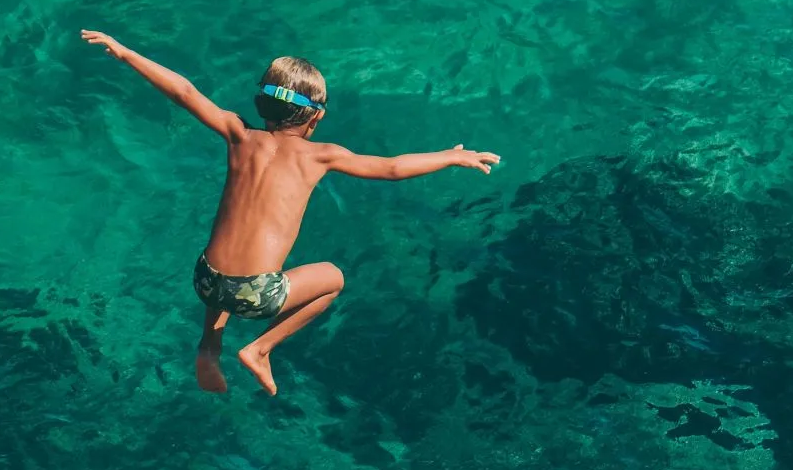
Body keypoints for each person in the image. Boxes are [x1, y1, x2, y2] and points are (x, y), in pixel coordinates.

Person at [80, 30, 499, 396]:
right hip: (257, 294)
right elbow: (391, 168)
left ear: (263, 102)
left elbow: (185, 92)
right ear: (316, 116)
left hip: (205, 279)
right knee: (334, 278)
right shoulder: (320, 156)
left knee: (228, 268)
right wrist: (449, 156)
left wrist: (126, 52)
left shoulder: (238, 134)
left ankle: (209, 347)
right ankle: (260, 350)